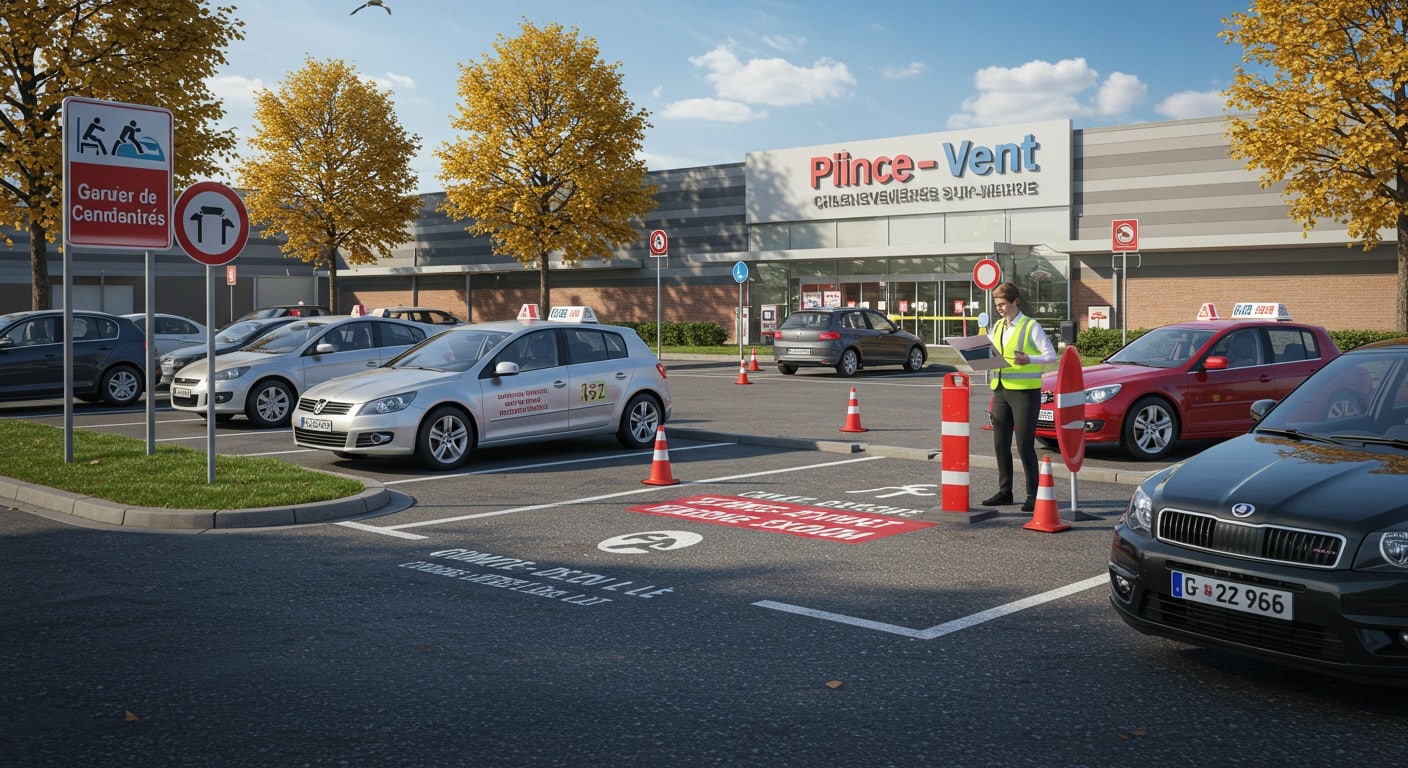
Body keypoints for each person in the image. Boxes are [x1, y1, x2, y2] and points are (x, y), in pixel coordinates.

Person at [982, 282, 1056, 512]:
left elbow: (1051, 355)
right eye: (996, 305)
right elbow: (992, 353)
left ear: (1015, 302)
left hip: (1025, 392)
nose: (999, 309)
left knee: (1024, 445)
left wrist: (1030, 360)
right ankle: (1005, 492)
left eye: (1003, 304)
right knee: (1000, 444)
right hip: (1001, 389)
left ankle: (1034, 495)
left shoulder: (1030, 325)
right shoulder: (996, 326)